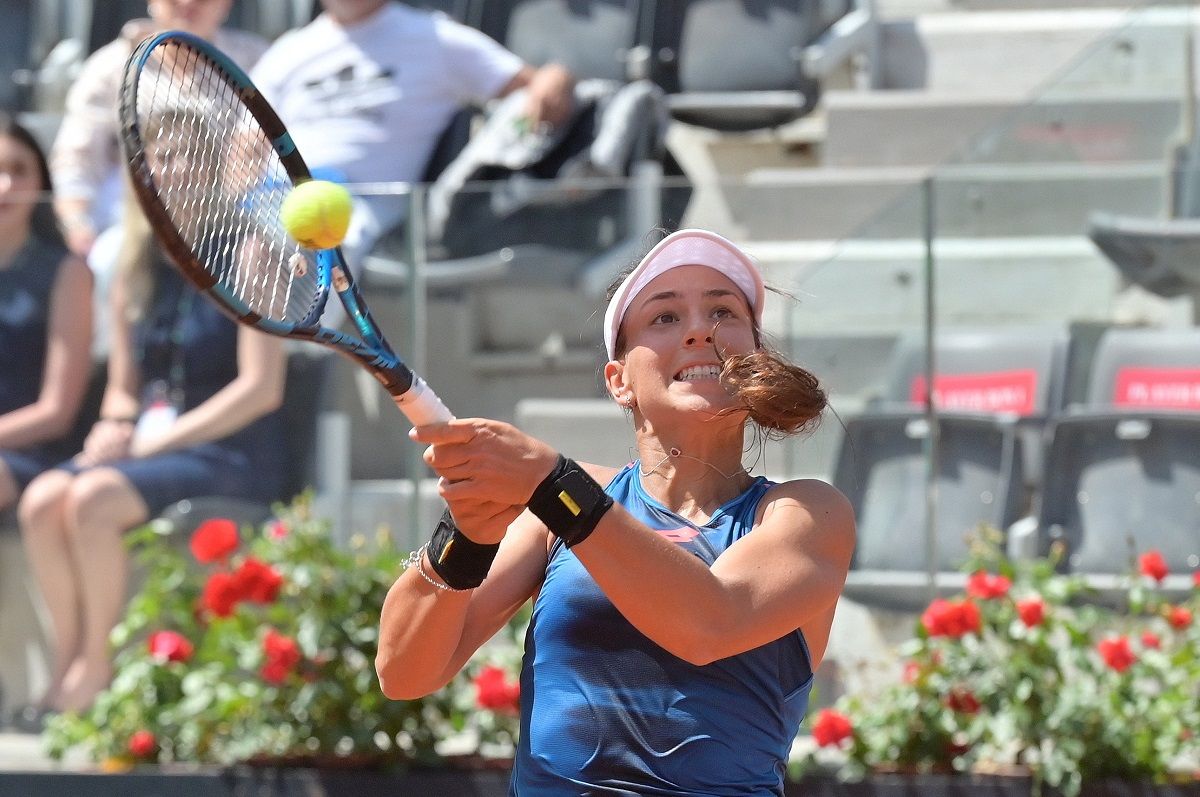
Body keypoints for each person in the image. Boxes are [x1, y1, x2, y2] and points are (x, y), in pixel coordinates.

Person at [376, 229, 857, 795]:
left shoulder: (807, 513)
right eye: (665, 317)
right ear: (619, 380)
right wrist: (465, 537)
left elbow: (709, 623)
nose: (700, 329)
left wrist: (554, 484)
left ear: (755, 355)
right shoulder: (557, 513)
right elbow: (404, 671)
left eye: (723, 311)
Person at [17, 118, 289, 714]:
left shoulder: (249, 252)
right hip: (153, 446)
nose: (175, 169)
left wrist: (150, 446)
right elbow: (122, 390)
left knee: (90, 501)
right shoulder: (136, 265)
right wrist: (113, 426)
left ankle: (95, 662)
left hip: (229, 450)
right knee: (41, 499)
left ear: (217, 170)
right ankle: (66, 658)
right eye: (161, 158)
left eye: (191, 156)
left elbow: (260, 389)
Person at [249, 0, 576, 324]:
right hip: (270, 203)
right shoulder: (286, 53)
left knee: (256, 254)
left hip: (373, 220)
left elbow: (538, 83)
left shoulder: (437, 38)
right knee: (245, 248)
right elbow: (244, 148)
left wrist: (556, 77)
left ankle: (275, 371)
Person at [50, 0, 268, 355]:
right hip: (135, 231)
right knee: (105, 260)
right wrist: (79, 228)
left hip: (234, 230)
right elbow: (75, 160)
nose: (187, 3)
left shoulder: (259, 59)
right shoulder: (109, 66)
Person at [0, 115, 94, 515]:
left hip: (35, 453)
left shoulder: (65, 272)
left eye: (19, 170)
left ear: (41, 181)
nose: (6, 186)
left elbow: (56, 411)